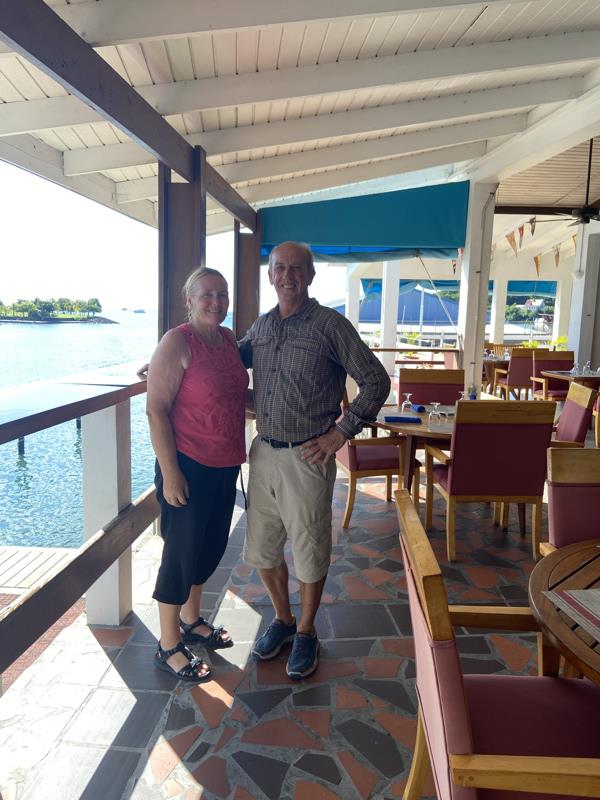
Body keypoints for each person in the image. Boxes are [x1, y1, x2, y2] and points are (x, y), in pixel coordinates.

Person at [238, 241, 390, 679]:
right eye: (280, 268)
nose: (288, 276)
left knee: (309, 550)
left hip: (308, 456)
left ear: (310, 274)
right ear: (270, 275)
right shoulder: (261, 328)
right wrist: (169, 358)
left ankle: (306, 631)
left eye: (296, 269)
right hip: (263, 452)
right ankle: (283, 620)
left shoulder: (330, 325)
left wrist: (341, 433)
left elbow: (375, 380)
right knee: (263, 549)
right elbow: (222, 362)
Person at [146, 267, 249, 682]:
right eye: (207, 294)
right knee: (180, 554)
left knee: (209, 548)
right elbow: (156, 409)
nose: (216, 302)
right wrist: (170, 474)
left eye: (222, 294)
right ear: (188, 300)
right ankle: (168, 642)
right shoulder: (176, 342)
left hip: (225, 463)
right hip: (187, 465)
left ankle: (192, 619)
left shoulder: (227, 340)